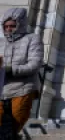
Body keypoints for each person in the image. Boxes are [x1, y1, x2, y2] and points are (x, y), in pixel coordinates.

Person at [0, 8, 43, 139]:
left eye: (12, 26)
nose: (8, 29)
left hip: (23, 89)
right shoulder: (1, 42)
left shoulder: (32, 39)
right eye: (5, 26)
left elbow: (34, 64)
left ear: (20, 24)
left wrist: (10, 69)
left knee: (14, 125)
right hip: (2, 89)